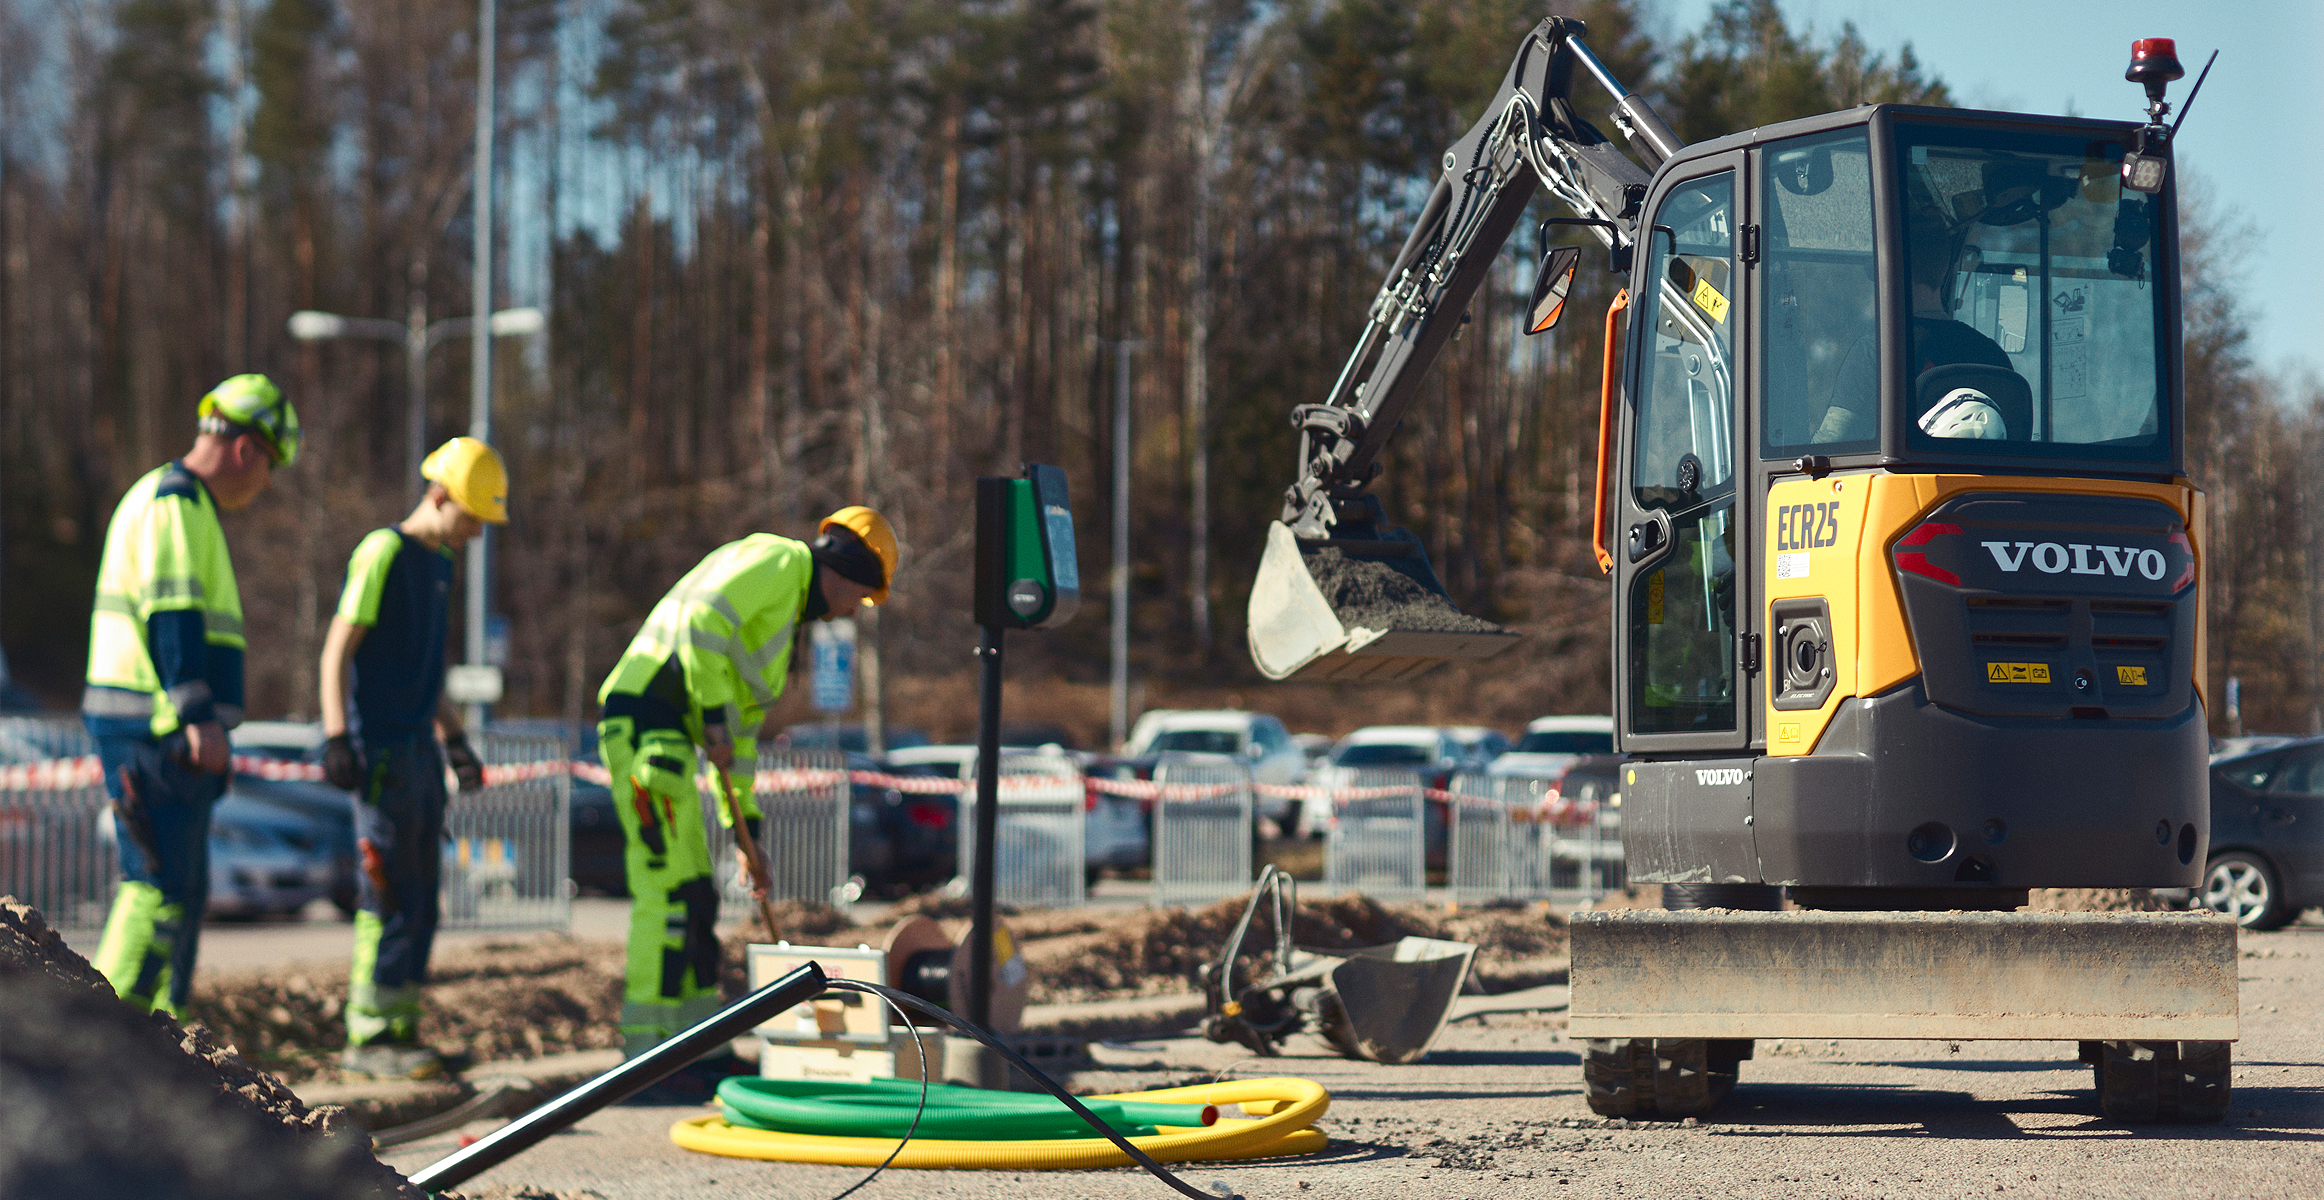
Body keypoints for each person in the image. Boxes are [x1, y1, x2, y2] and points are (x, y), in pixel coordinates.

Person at [596, 507, 896, 1061]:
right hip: (647, 725)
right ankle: (644, 1052)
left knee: (695, 894)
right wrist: (711, 718)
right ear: (847, 573)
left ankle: (691, 1044)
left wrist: (747, 838)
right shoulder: (779, 560)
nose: (855, 610)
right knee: (667, 895)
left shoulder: (780, 636)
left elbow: (740, 746)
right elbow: (702, 620)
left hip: (673, 739)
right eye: (862, 596)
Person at [85, 374, 299, 1015]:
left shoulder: (184, 505)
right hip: (155, 731)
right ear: (246, 451)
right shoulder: (174, 502)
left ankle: (159, 1041)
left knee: (179, 888)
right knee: (157, 886)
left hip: (163, 732)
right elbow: (171, 614)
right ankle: (113, 1039)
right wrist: (197, 716)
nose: (266, 483)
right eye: (271, 467)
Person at [318, 437, 508, 1079]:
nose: (477, 532)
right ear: (437, 495)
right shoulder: (384, 552)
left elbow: (429, 671)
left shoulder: (440, 566)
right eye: (471, 516)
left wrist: (454, 741)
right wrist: (337, 735)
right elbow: (338, 649)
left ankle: (400, 1032)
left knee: (423, 898)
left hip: (421, 757)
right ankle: (368, 1041)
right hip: (382, 756)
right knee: (389, 894)